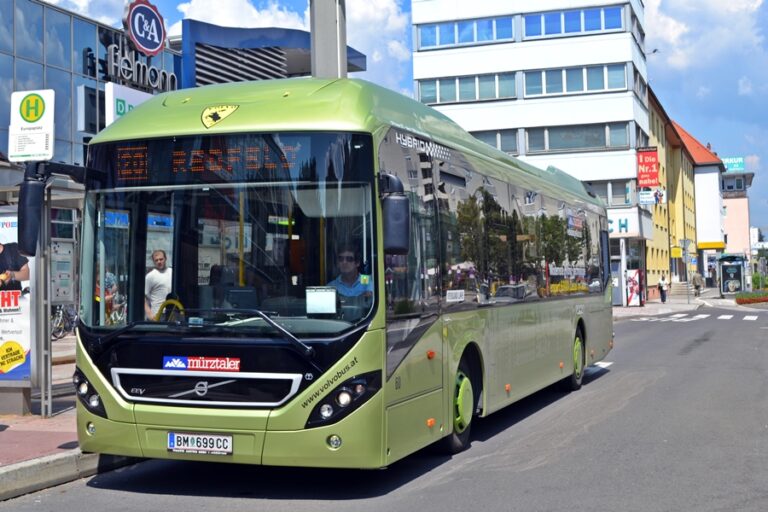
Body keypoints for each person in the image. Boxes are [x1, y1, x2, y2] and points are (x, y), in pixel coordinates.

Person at [145, 250, 172, 319]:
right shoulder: (150, 276)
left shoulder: (172, 272)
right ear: (154, 262)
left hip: (172, 313)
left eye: (161, 259)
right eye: (156, 260)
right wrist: (150, 315)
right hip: (158, 314)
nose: (159, 262)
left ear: (165, 259)